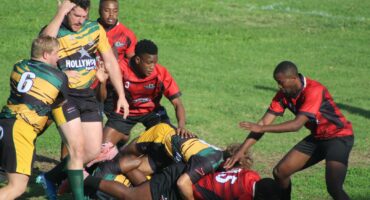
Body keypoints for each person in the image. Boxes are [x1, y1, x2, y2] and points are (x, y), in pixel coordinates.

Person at [36, 0, 129, 199]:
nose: (80, 21)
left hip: (87, 95)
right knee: (77, 149)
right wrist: (60, 13)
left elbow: (111, 62)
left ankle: (50, 177)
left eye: (84, 17)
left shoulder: (94, 30)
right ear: (67, 12)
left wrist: (122, 95)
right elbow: (41, 46)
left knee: (93, 150)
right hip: (62, 96)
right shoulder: (55, 30)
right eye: (76, 15)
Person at [224, 61, 354, 200]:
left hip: (339, 137)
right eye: (277, 82)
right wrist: (241, 150)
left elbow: (296, 125)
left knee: (334, 187)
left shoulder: (314, 89)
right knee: (280, 172)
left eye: (281, 82)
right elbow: (264, 122)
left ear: (293, 78)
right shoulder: (283, 95)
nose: (279, 86)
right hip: (317, 138)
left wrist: (262, 127)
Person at [0, 36, 68, 199]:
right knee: (17, 187)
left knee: (12, 179)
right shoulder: (58, 76)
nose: (59, 57)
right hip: (20, 130)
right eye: (56, 53)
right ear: (46, 55)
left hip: (5, 122)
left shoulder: (19, 66)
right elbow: (60, 102)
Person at [83, 144, 281, 200]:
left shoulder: (252, 175)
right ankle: (84, 178)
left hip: (186, 182)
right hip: (180, 180)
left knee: (146, 191)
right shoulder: (245, 195)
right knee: (132, 196)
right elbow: (183, 184)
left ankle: (127, 168)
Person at [94, 39, 188, 156]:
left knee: (170, 144)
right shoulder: (120, 69)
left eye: (155, 62)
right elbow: (101, 98)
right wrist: (102, 83)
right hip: (125, 112)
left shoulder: (161, 73)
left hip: (152, 113)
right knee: (100, 152)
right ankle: (121, 145)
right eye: (149, 63)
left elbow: (177, 103)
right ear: (138, 60)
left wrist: (181, 126)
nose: (152, 67)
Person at [103, 123, 224, 200]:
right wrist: (181, 125)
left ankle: (113, 167)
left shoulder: (215, 161)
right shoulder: (212, 161)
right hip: (161, 136)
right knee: (126, 153)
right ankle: (109, 158)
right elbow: (183, 183)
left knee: (145, 180)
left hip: (171, 157)